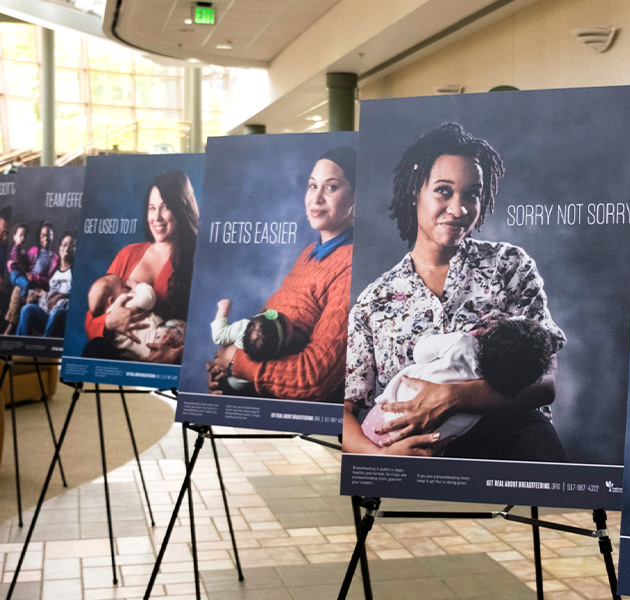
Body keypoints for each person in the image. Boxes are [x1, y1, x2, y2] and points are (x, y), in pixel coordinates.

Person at [345, 123, 567, 461]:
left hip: (511, 438)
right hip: (413, 449)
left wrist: (453, 398)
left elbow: (545, 382)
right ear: (414, 191)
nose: (460, 209)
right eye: (444, 191)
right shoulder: (375, 300)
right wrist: (381, 456)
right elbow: (345, 411)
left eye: (472, 194)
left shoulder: (508, 265)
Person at [206, 147, 356, 403]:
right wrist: (222, 365)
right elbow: (264, 323)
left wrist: (235, 363)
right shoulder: (309, 253)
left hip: (295, 407)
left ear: (356, 197)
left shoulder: (351, 263)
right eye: (312, 186)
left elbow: (315, 376)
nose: (316, 198)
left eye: (330, 187)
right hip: (256, 391)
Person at [361, 316, 556, 450]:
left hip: (385, 417)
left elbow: (420, 351)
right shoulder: (490, 394)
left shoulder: (461, 343)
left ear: (486, 332)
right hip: (425, 444)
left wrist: (454, 395)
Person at [82, 170, 198, 364]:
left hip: (164, 355)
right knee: (95, 350)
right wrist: (109, 323)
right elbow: (92, 316)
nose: (157, 217)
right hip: (123, 352)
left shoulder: (194, 260)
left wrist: (176, 354)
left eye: (165, 207)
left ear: (181, 207)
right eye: (152, 208)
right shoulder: (128, 255)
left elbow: (204, 328)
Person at [16, 231, 75, 338]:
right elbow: (48, 294)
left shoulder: (76, 271)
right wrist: (37, 295)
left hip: (63, 316)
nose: (67, 248)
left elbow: (80, 299)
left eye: (72, 246)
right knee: (27, 309)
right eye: (65, 244)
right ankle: (21, 345)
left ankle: (43, 344)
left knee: (57, 312)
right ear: (60, 247)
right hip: (48, 314)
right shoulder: (53, 272)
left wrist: (62, 295)